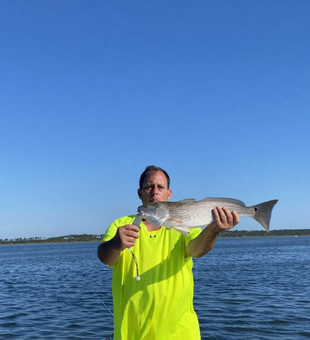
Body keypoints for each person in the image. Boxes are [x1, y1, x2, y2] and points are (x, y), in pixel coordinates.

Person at [98, 165, 239, 340]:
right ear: (139, 193)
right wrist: (115, 244)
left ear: (169, 194)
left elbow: (196, 251)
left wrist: (212, 230)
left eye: (160, 187)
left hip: (180, 332)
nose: (154, 192)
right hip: (132, 333)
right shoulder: (121, 224)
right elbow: (105, 258)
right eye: (149, 186)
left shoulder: (184, 224)